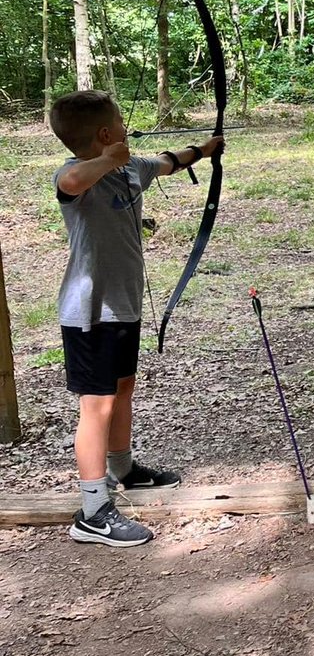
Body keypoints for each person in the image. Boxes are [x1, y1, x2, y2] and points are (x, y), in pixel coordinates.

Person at [49, 90, 223, 547]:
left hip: (122, 307)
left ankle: (123, 469)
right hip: (89, 312)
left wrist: (204, 151)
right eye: (121, 122)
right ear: (106, 135)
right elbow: (71, 183)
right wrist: (108, 159)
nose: (128, 128)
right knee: (97, 405)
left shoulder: (132, 169)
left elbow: (168, 161)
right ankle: (92, 511)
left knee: (123, 387)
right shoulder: (76, 175)